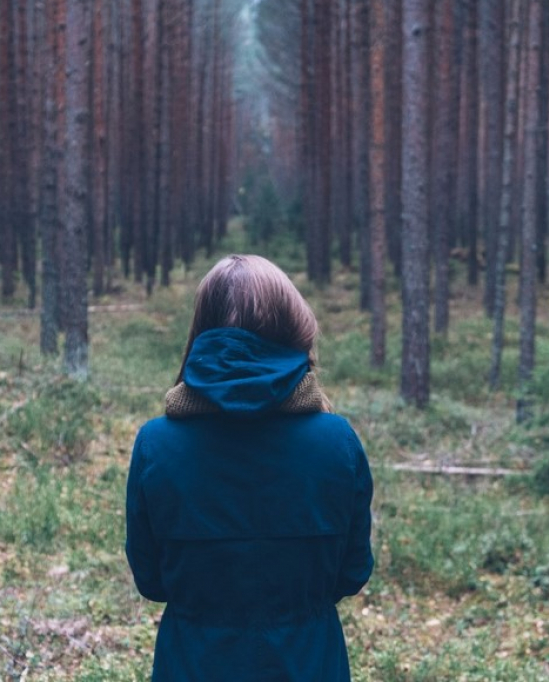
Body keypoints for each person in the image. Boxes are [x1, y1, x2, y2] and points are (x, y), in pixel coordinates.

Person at [125, 254, 374, 681]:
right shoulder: (338, 442)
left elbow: (151, 581)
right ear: (291, 328)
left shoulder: (156, 443)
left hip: (193, 664)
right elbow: (352, 574)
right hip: (309, 663)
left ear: (202, 329)